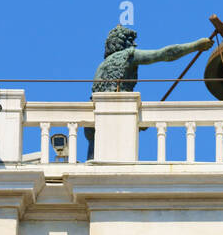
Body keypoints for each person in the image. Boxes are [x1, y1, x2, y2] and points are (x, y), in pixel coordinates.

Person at [84, 25, 212, 159]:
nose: (134, 44)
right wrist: (195, 46)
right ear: (124, 42)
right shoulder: (128, 56)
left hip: (94, 127)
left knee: (94, 163)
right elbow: (165, 54)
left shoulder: (102, 66)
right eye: (131, 41)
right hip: (115, 120)